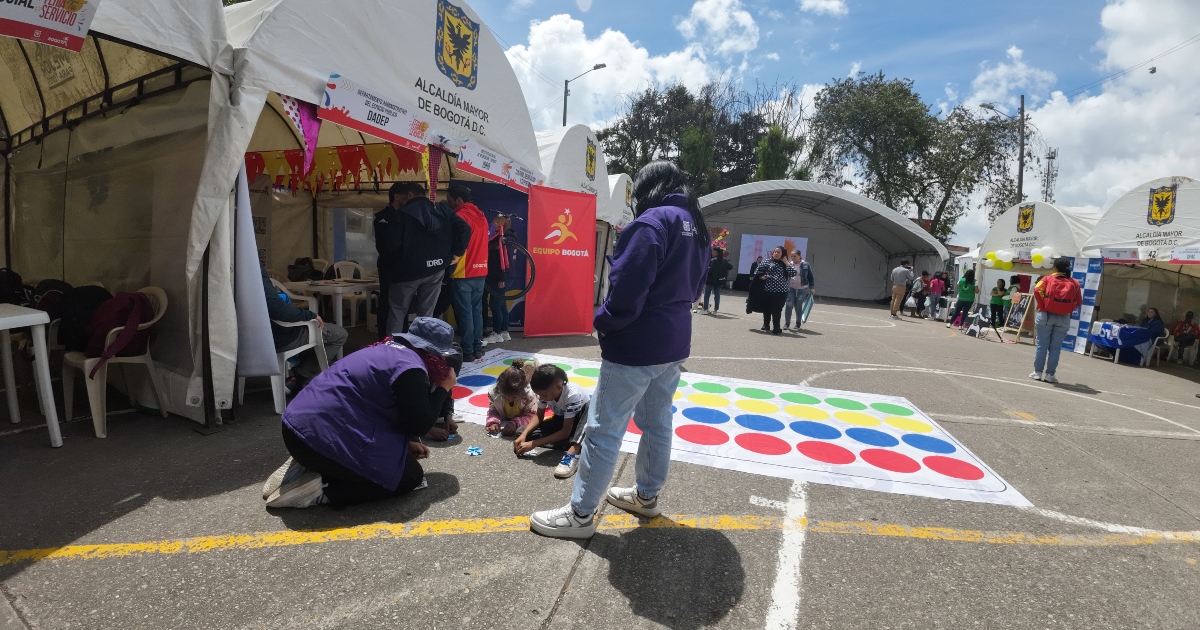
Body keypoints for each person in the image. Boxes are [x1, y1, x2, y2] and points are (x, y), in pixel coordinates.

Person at [529, 160, 708, 538]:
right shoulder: (695, 223)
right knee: (657, 423)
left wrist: (603, 321)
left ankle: (580, 515)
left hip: (637, 343)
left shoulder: (652, 222)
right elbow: (695, 287)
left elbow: (625, 293)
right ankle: (646, 496)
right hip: (674, 340)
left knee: (603, 430)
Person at [261, 317, 460, 508]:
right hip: (315, 441)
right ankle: (318, 491)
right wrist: (444, 387)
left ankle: (311, 467)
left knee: (396, 459)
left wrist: (403, 445)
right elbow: (420, 424)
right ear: (434, 354)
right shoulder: (411, 368)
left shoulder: (384, 349)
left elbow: (374, 410)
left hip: (297, 428)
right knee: (407, 477)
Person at [374, 182, 470, 340]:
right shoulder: (443, 210)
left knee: (398, 312)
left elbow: (390, 247)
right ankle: (424, 352)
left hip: (407, 271)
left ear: (410, 195)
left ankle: (393, 354)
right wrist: (456, 253)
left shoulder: (401, 214)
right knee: (427, 314)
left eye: (404, 197)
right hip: (437, 268)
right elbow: (465, 228)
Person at [261, 267, 347, 392]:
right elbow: (277, 310)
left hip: (248, 339)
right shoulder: (253, 270)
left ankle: (300, 374)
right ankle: (302, 377)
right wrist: (310, 315)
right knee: (338, 333)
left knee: (314, 336)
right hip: (276, 337)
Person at [514, 364, 590, 479]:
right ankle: (566, 442)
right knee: (521, 432)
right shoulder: (546, 392)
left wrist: (534, 443)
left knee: (590, 408)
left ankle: (574, 449)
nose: (542, 398)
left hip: (578, 424)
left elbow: (565, 431)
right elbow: (539, 416)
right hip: (561, 420)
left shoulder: (573, 395)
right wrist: (524, 435)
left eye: (544, 395)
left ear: (559, 387)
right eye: (539, 395)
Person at [447, 184, 490, 362]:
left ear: (459, 200)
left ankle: (468, 350)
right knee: (476, 312)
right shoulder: (482, 217)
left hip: (463, 272)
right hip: (481, 271)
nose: (449, 204)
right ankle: (477, 347)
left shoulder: (460, 216)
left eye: (450, 201)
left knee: (465, 314)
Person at [1030, 258, 1083, 384]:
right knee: (1055, 348)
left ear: (1054, 267)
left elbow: (1037, 290)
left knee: (1042, 345)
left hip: (1046, 315)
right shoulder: (1074, 282)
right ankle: (1050, 375)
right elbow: (1079, 302)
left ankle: (1037, 372)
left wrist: (1043, 305)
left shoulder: (1047, 279)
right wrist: (1067, 308)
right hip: (1064, 317)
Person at [485, 359, 539, 436]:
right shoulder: (494, 393)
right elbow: (493, 410)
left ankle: (533, 373)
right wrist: (493, 422)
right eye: (505, 396)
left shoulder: (528, 395)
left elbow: (532, 415)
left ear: (521, 393)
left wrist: (516, 423)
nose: (509, 400)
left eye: (514, 397)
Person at [482, 214, 512, 346]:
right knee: (501, 304)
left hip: (499, 277)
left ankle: (497, 333)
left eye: (496, 221)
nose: (493, 222)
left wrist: (502, 278)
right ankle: (504, 331)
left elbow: (505, 260)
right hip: (497, 276)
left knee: (495, 305)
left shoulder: (504, 239)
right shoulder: (499, 237)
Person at [752, 246, 796, 334]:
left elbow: (793, 273)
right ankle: (766, 324)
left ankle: (776, 327)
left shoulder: (786, 264)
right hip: (767, 290)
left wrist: (786, 262)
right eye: (775, 252)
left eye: (778, 252)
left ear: (783, 254)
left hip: (781, 292)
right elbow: (757, 271)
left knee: (777, 309)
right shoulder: (767, 261)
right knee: (767, 308)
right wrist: (761, 276)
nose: (776, 254)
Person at [784, 249, 815, 330]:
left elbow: (810, 277)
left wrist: (811, 288)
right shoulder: (788, 264)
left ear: (800, 256)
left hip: (802, 289)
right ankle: (787, 324)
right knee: (789, 305)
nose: (793, 258)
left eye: (795, 256)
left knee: (798, 306)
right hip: (790, 288)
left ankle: (798, 323)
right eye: (791, 256)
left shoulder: (806, 264)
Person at [699, 246, 733, 314]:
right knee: (717, 295)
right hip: (720, 280)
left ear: (715, 252)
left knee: (707, 295)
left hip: (711, 280)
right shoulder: (724, 260)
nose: (712, 253)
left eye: (713, 251)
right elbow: (730, 267)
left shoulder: (712, 260)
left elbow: (709, 270)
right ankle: (716, 310)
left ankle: (705, 308)